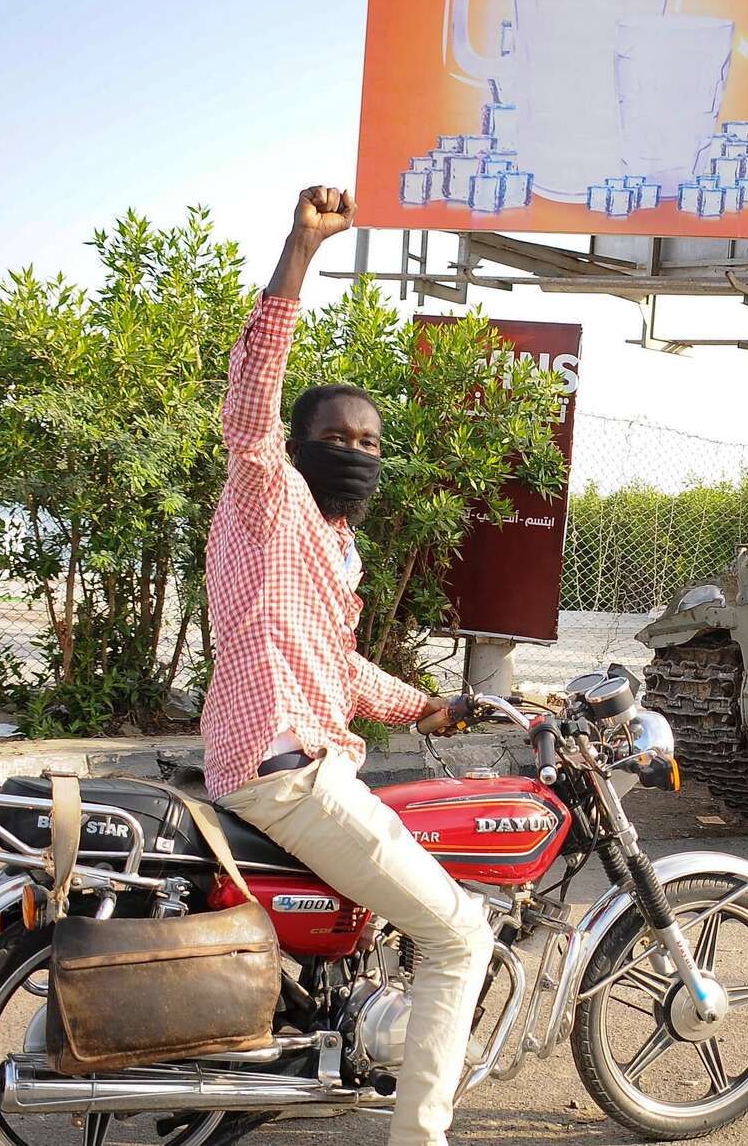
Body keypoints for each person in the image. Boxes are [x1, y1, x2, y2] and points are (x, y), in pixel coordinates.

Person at [204, 186, 494, 1146]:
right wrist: (300, 249)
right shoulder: (269, 495)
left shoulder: (331, 545)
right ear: (297, 446)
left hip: (304, 755)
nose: (355, 453)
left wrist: (435, 708)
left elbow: (338, 668)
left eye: (369, 442)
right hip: (288, 770)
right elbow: (249, 402)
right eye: (336, 438)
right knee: (459, 933)